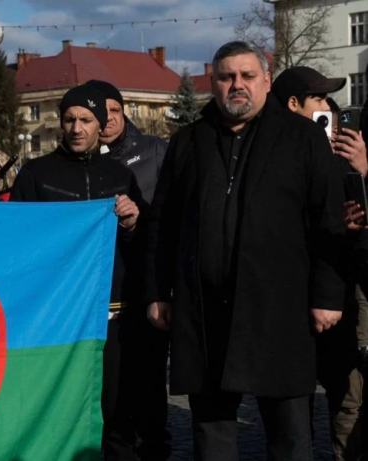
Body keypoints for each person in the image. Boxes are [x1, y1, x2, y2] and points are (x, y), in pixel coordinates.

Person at [146, 41, 347, 460]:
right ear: (214, 83)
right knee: (211, 436)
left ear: (266, 80)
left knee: (289, 436)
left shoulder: (303, 136)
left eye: (247, 76)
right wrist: (158, 292)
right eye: (226, 77)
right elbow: (163, 224)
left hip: (281, 310)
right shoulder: (188, 141)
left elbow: (328, 221)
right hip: (205, 313)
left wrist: (327, 296)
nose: (237, 85)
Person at [10, 84, 141, 461]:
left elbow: (140, 246)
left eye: (86, 120)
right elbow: (19, 243)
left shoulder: (119, 175)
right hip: (56, 319)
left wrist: (132, 223)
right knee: (57, 411)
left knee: (116, 413)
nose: (76, 127)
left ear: (102, 125)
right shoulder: (36, 174)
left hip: (110, 315)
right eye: (69, 119)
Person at [271, 67, 364, 460]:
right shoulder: (269, 154)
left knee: (348, 395)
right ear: (293, 105)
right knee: (292, 399)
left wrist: (361, 172)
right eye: (320, 101)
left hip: (342, 289)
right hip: (289, 293)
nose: (330, 109)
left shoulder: (342, 151)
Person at [84, 79, 170, 461]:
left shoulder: (155, 151)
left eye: (114, 111)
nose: (107, 120)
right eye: (99, 114)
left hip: (147, 279)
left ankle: (155, 446)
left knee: (149, 378)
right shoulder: (83, 161)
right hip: (102, 285)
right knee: (109, 383)